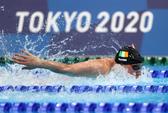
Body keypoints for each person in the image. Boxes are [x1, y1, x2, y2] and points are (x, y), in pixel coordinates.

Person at [12, 44, 143, 78]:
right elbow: (66, 69)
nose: (138, 72)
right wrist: (39, 62)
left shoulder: (118, 67)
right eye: (136, 67)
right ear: (123, 65)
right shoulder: (100, 67)